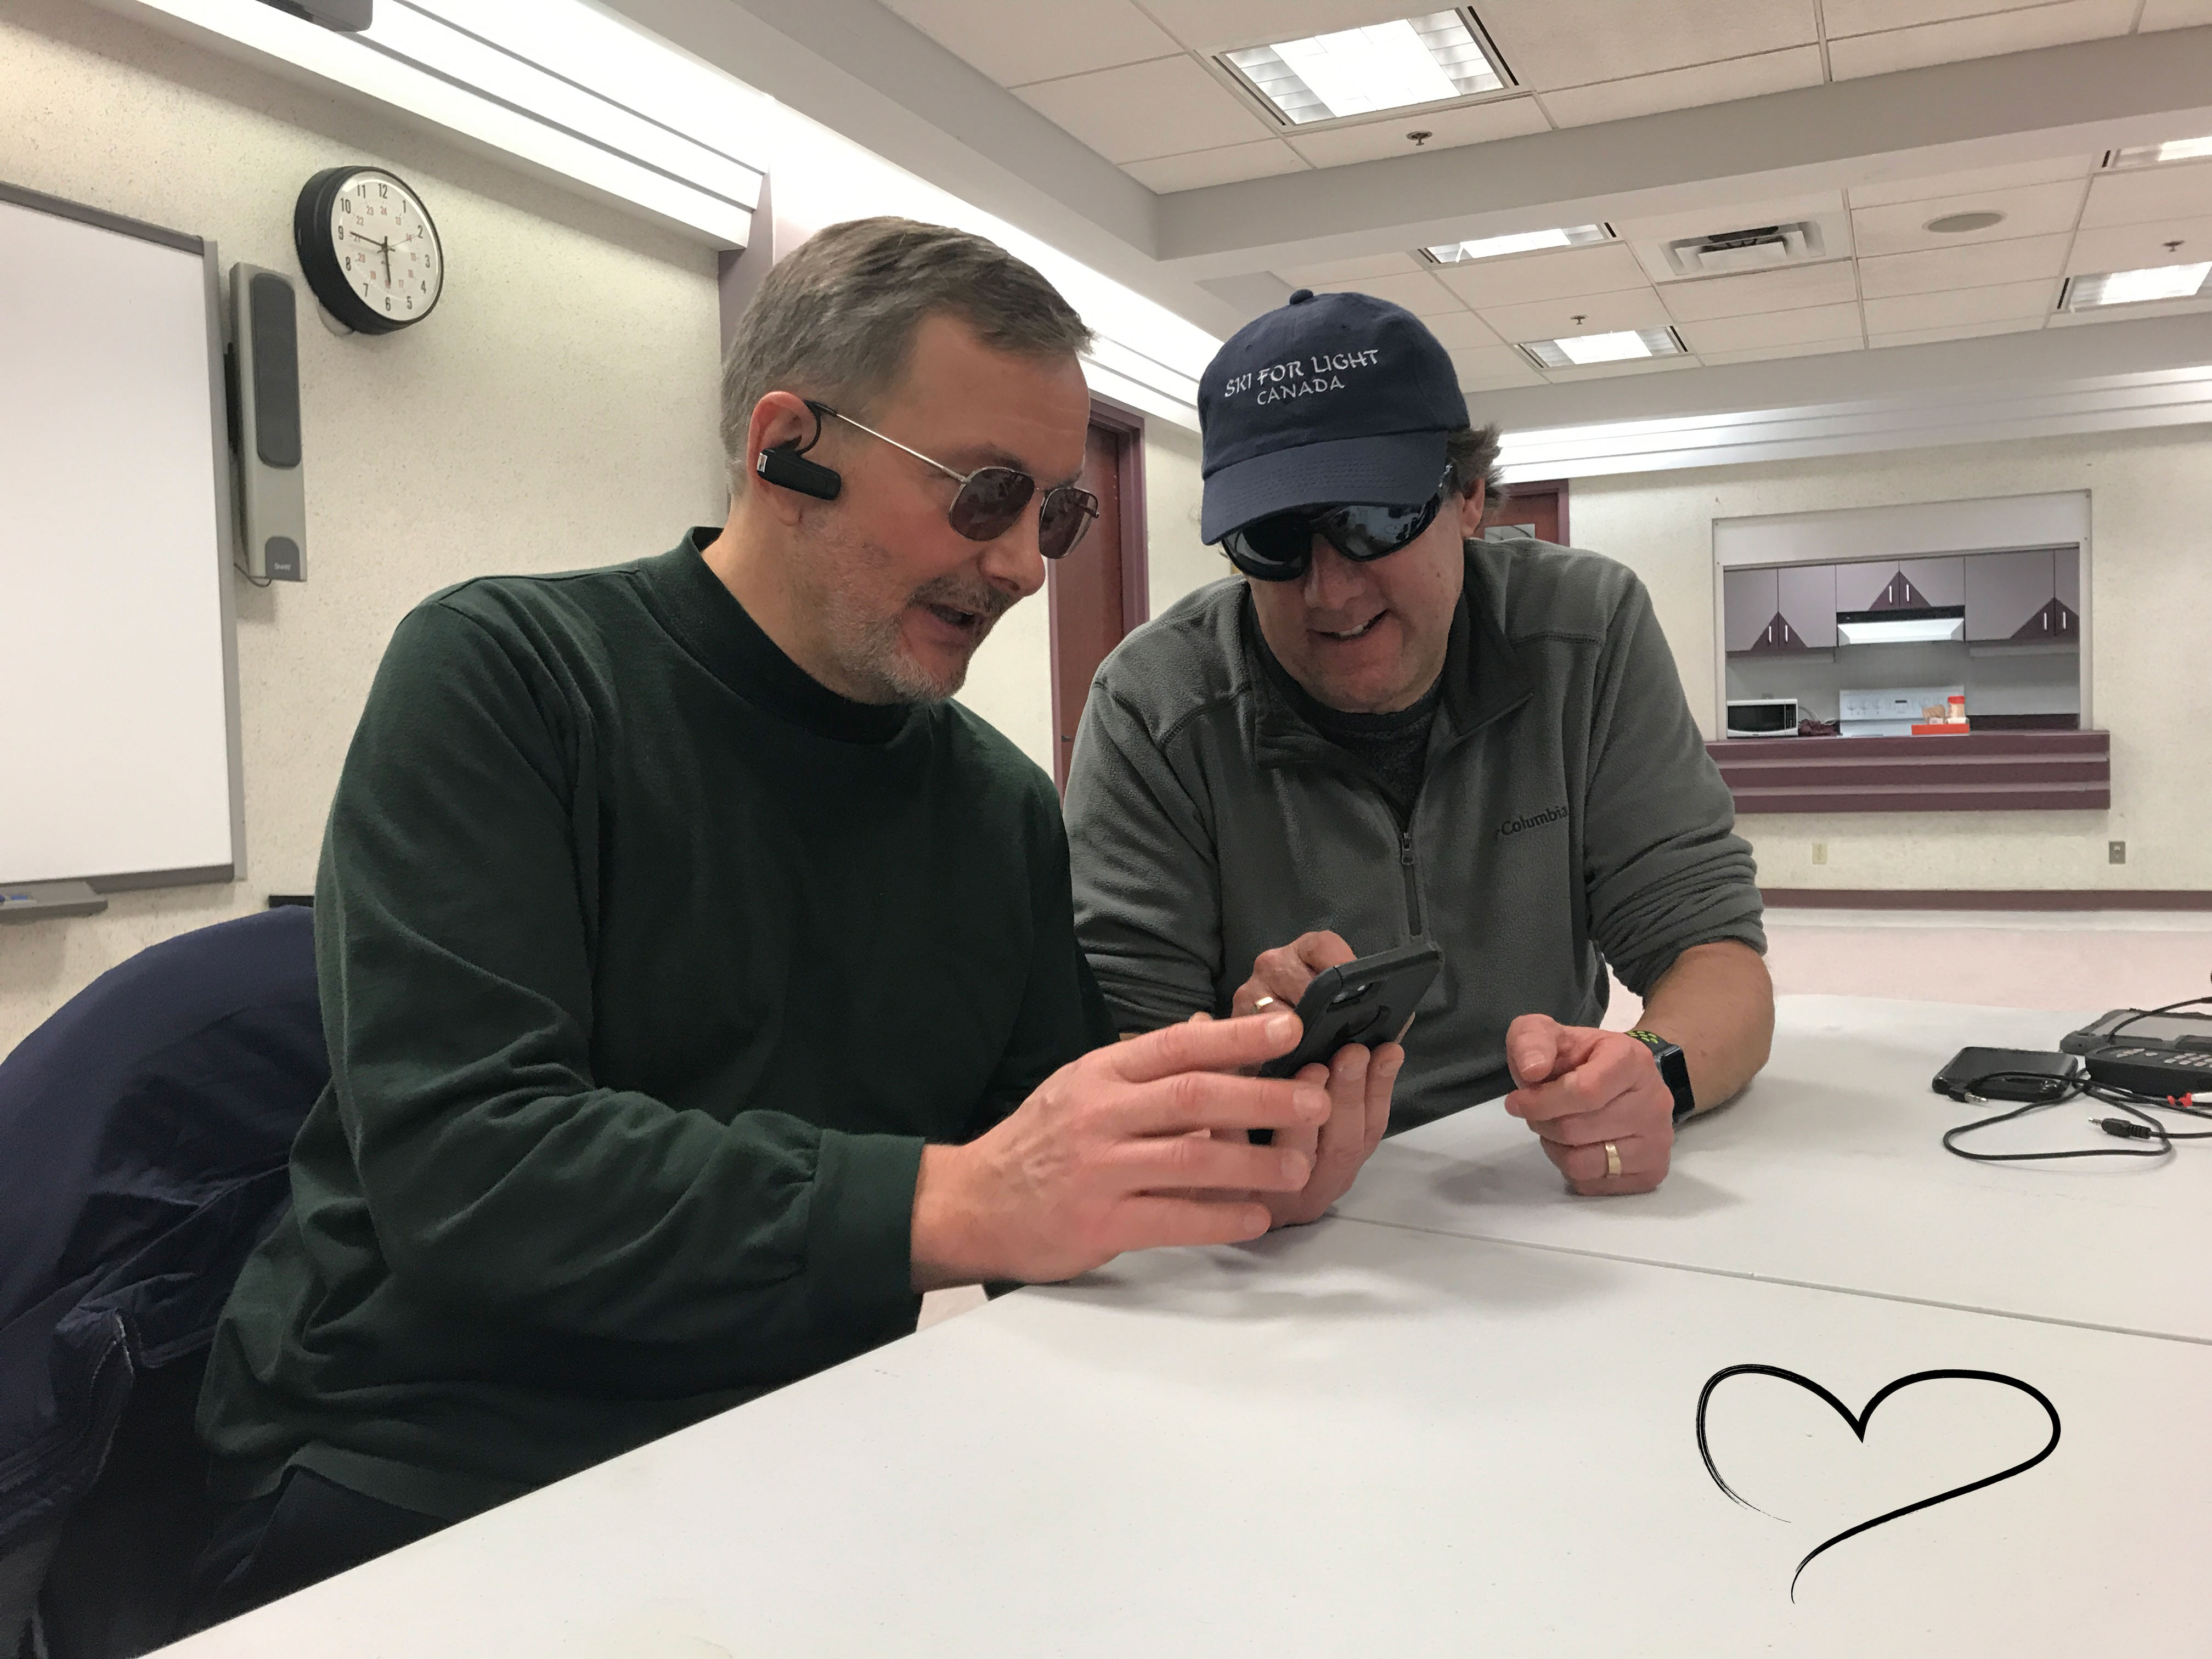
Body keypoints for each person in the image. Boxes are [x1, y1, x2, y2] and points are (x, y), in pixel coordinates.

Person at [185, 219, 1387, 1628]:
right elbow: (473, 1171)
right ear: (785, 444)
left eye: (1056, 514)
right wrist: (957, 1197)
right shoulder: (510, 680)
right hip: (431, 1467)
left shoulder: (994, 807)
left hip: (804, 1446)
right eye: (986, 495)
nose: (1022, 568)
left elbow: (1037, 1183)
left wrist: (1231, 1171)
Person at [1064, 287, 1773, 1212]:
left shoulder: (1585, 634)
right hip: (1268, 1223)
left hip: (1531, 1178)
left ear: (1470, 496)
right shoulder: (1152, 707)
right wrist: (1239, 1092)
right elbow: (1116, 1059)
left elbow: (1713, 954)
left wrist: (1651, 1073)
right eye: (1273, 541)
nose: (1330, 590)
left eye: (1373, 520)